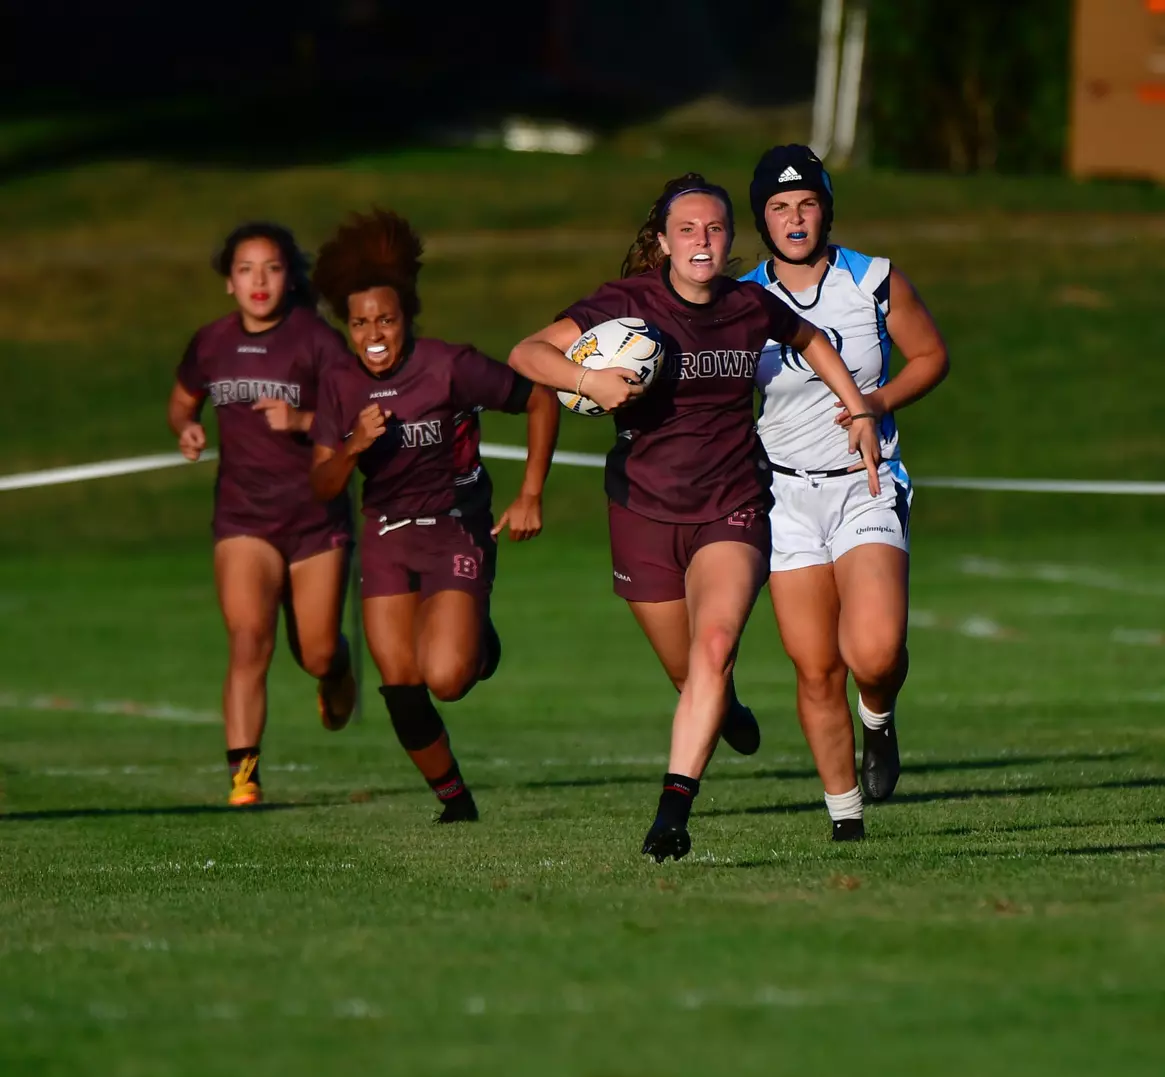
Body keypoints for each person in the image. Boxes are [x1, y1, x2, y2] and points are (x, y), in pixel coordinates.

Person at [507, 173, 881, 861]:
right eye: (687, 230)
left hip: (731, 505)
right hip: (642, 512)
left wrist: (856, 409)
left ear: (730, 240)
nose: (701, 242)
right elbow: (527, 353)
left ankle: (672, 813)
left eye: (714, 230)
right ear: (663, 242)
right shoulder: (627, 304)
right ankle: (726, 707)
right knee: (689, 674)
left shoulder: (749, 305)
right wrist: (588, 380)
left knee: (713, 648)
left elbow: (813, 340)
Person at [309, 209, 557, 824]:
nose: (374, 333)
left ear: (407, 320)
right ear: (346, 326)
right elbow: (321, 483)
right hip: (388, 534)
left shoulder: (450, 366)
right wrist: (353, 448)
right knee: (400, 680)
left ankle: (480, 642)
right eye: (361, 322)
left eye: (386, 320)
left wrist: (530, 493)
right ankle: (455, 802)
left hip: (455, 526)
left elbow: (540, 399)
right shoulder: (339, 385)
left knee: (445, 677)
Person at [737, 145, 949, 840]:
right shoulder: (739, 299)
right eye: (778, 207)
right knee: (814, 665)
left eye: (806, 204)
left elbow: (931, 357)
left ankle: (879, 722)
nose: (794, 219)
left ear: (826, 208)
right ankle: (845, 818)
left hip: (866, 482)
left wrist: (874, 401)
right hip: (785, 500)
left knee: (876, 652)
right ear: (761, 219)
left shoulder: (874, 279)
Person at [166, 222, 359, 808]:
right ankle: (244, 777)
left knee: (317, 650)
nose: (259, 281)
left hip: (315, 519)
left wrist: (302, 422)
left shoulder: (317, 342)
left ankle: (336, 670)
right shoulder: (210, 343)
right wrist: (188, 428)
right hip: (243, 518)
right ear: (229, 281)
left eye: (271, 268)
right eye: (246, 269)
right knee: (249, 640)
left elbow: (357, 419)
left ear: (287, 276)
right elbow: (181, 401)